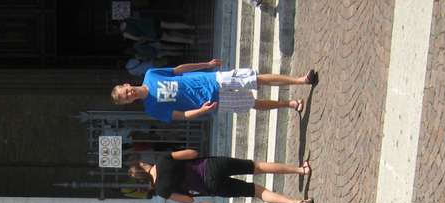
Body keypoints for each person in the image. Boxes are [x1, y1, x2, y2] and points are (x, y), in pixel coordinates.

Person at [111, 58, 317, 123]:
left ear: (127, 85)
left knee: (256, 79)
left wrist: (206, 64)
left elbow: (179, 69)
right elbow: (180, 115)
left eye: (125, 91)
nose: (128, 94)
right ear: (128, 102)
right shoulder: (151, 109)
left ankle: (300, 80)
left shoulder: (151, 74)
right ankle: (289, 104)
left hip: (212, 79)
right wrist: (201, 111)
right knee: (252, 103)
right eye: (125, 98)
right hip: (211, 102)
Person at [128, 149, 313, 203]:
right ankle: (300, 170)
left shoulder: (160, 191)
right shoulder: (162, 160)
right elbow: (193, 153)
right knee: (256, 167)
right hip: (211, 165)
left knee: (256, 191)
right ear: (143, 165)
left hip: (210, 186)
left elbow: (189, 200)